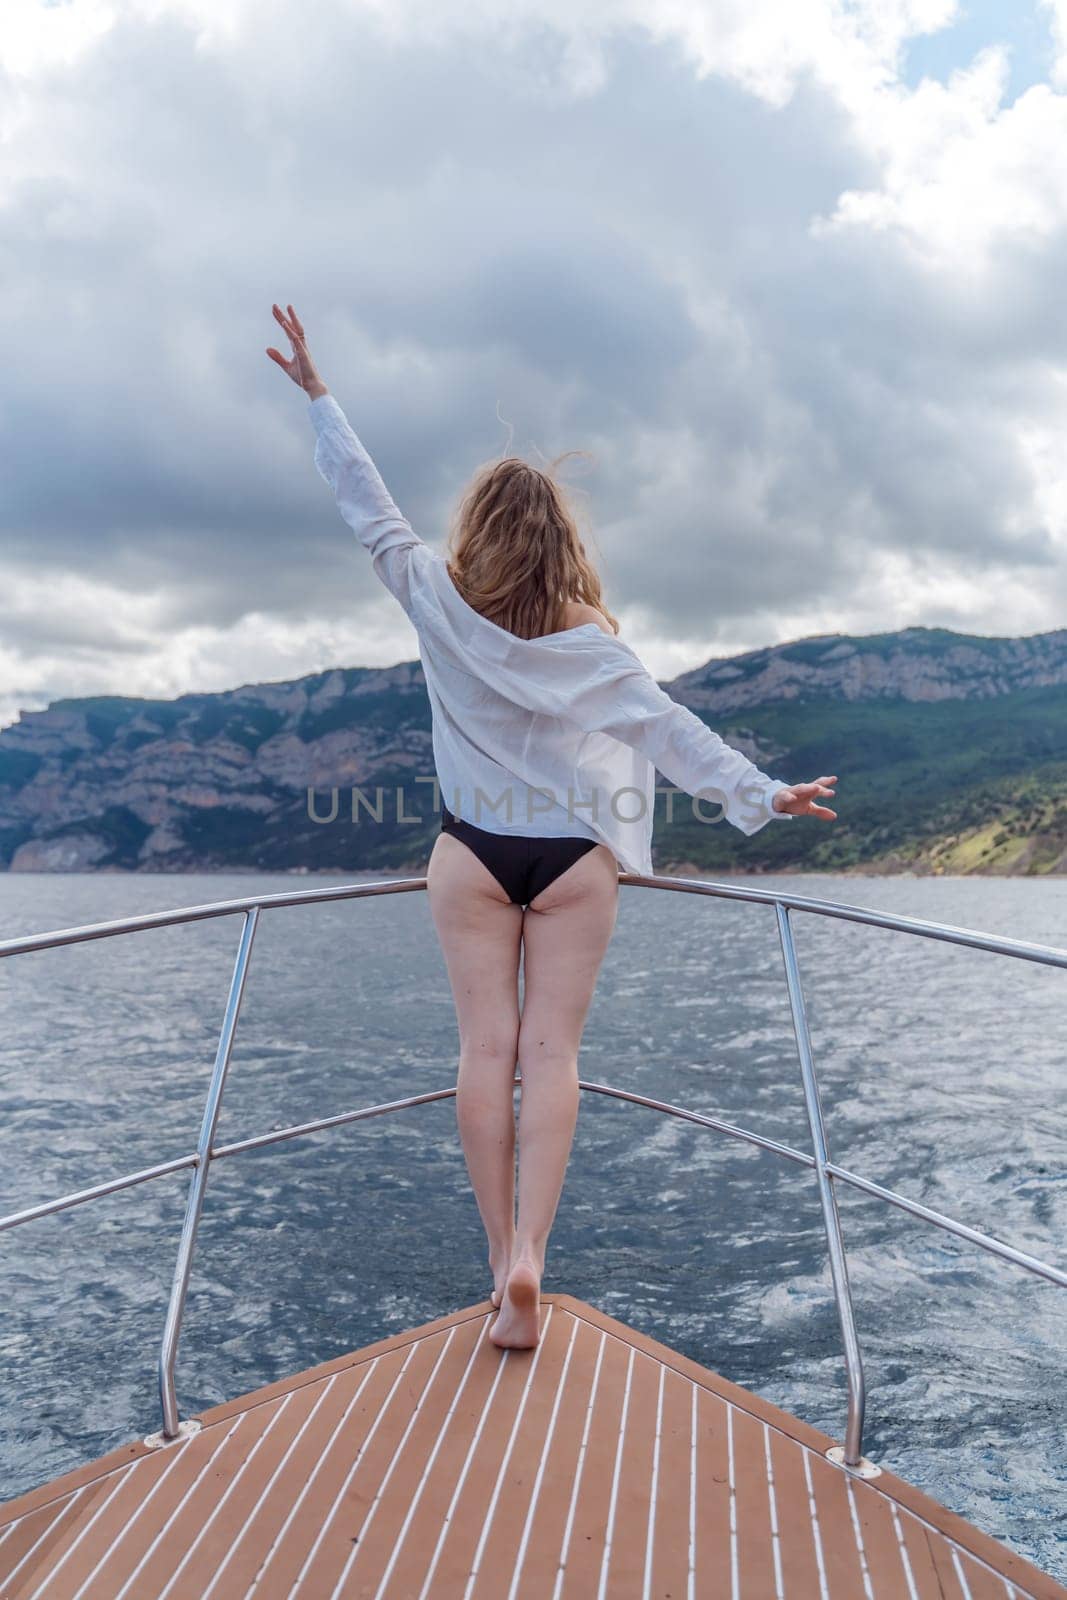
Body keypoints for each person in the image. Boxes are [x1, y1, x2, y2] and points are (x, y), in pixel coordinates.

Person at [267, 302, 838, 1350]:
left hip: (468, 855)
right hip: (573, 859)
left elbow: (369, 510)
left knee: (484, 1048)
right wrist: (767, 795)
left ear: (477, 537)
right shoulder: (595, 650)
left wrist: (320, 398)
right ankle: (536, 1246)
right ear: (560, 542)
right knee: (552, 1051)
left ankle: (499, 1267)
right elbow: (673, 737)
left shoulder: (434, 601)